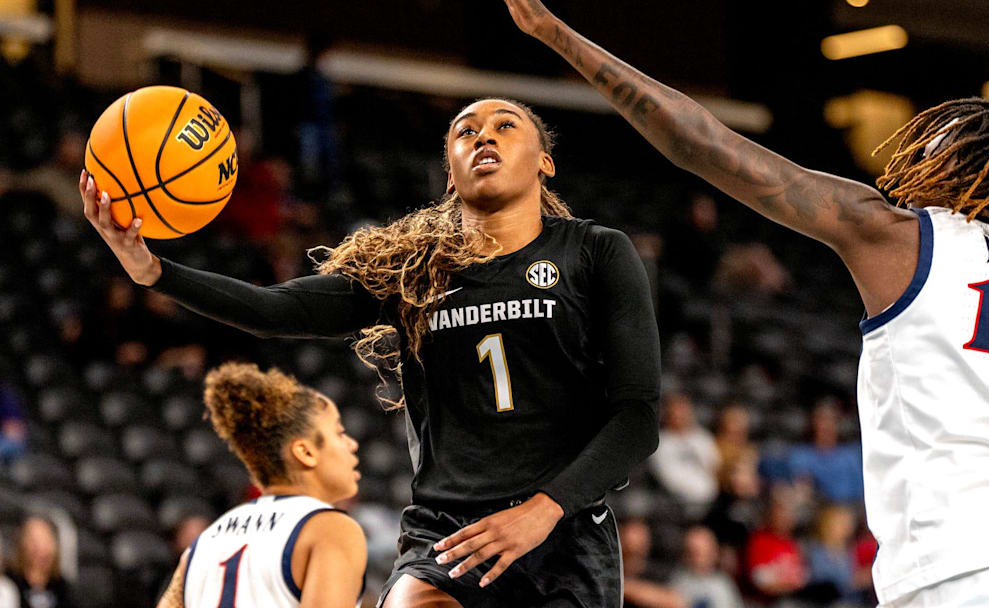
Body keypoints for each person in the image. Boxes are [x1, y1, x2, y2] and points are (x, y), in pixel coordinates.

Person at [502, 1, 989, 606]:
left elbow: (702, 141)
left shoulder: (902, 238)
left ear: (967, 164)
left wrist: (556, 34)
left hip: (963, 564)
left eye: (940, 143)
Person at [81, 95, 661, 606]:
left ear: (545, 162)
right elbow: (275, 310)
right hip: (449, 529)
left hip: (564, 532)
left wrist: (544, 509)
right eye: (465, 131)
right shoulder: (413, 270)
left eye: (505, 126)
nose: (483, 135)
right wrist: (152, 269)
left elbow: (636, 417)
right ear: (451, 175)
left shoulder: (596, 253)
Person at [155, 362, 367, 608]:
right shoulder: (331, 529)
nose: (352, 444)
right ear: (305, 451)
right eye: (339, 433)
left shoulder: (202, 543)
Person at [787, 399, 862, 504]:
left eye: (831, 420)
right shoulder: (801, 455)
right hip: (818, 509)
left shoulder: (850, 456)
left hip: (851, 509)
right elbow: (803, 488)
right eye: (822, 420)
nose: (827, 426)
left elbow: (860, 491)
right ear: (813, 424)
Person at [8, 516, 70, 608]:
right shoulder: (9, 583)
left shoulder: (61, 586)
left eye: (45, 541)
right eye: (33, 541)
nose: (40, 548)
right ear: (22, 544)